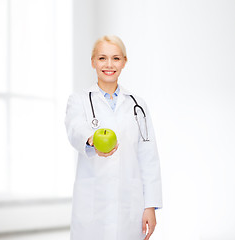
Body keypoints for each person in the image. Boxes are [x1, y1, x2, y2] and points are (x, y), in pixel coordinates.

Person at [65, 35, 162, 240]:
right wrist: (91, 139)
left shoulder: (138, 105)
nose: (109, 64)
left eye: (116, 58)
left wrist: (150, 206)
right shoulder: (79, 100)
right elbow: (74, 129)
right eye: (102, 58)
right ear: (93, 62)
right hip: (92, 205)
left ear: (124, 62)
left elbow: (148, 157)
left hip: (129, 204)